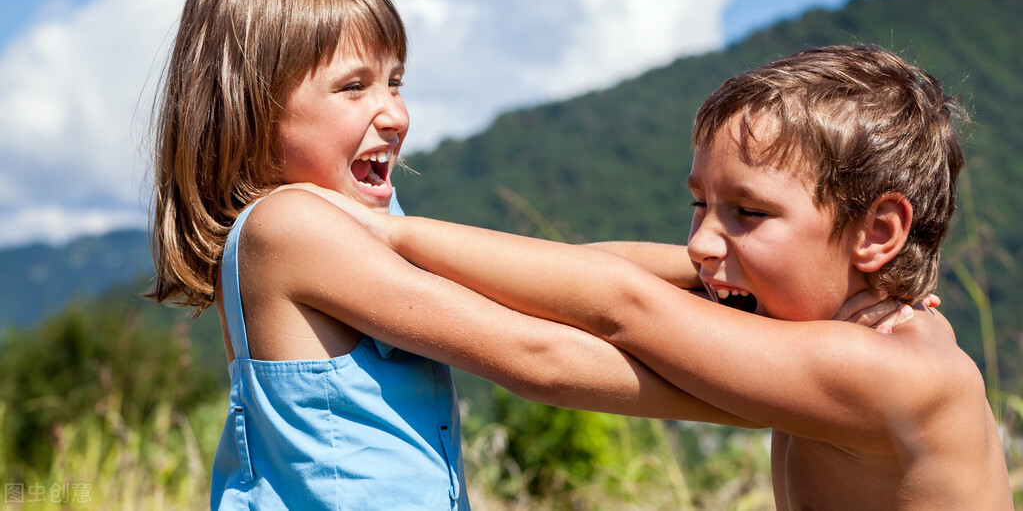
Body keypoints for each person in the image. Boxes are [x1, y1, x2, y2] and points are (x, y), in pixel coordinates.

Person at [150, 0, 837, 509]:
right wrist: (763, 396)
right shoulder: (288, 228)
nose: (395, 114)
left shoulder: (363, 226)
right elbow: (533, 355)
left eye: (396, 81)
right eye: (354, 87)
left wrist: (746, 268)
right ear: (251, 110)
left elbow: (562, 268)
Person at [322, 45, 1012, 509]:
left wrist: (385, 234)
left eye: (746, 212)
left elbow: (614, 304)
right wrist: (724, 252)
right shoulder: (852, 322)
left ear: (877, 232)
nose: (702, 241)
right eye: (699, 205)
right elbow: (606, 275)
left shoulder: (882, 371)